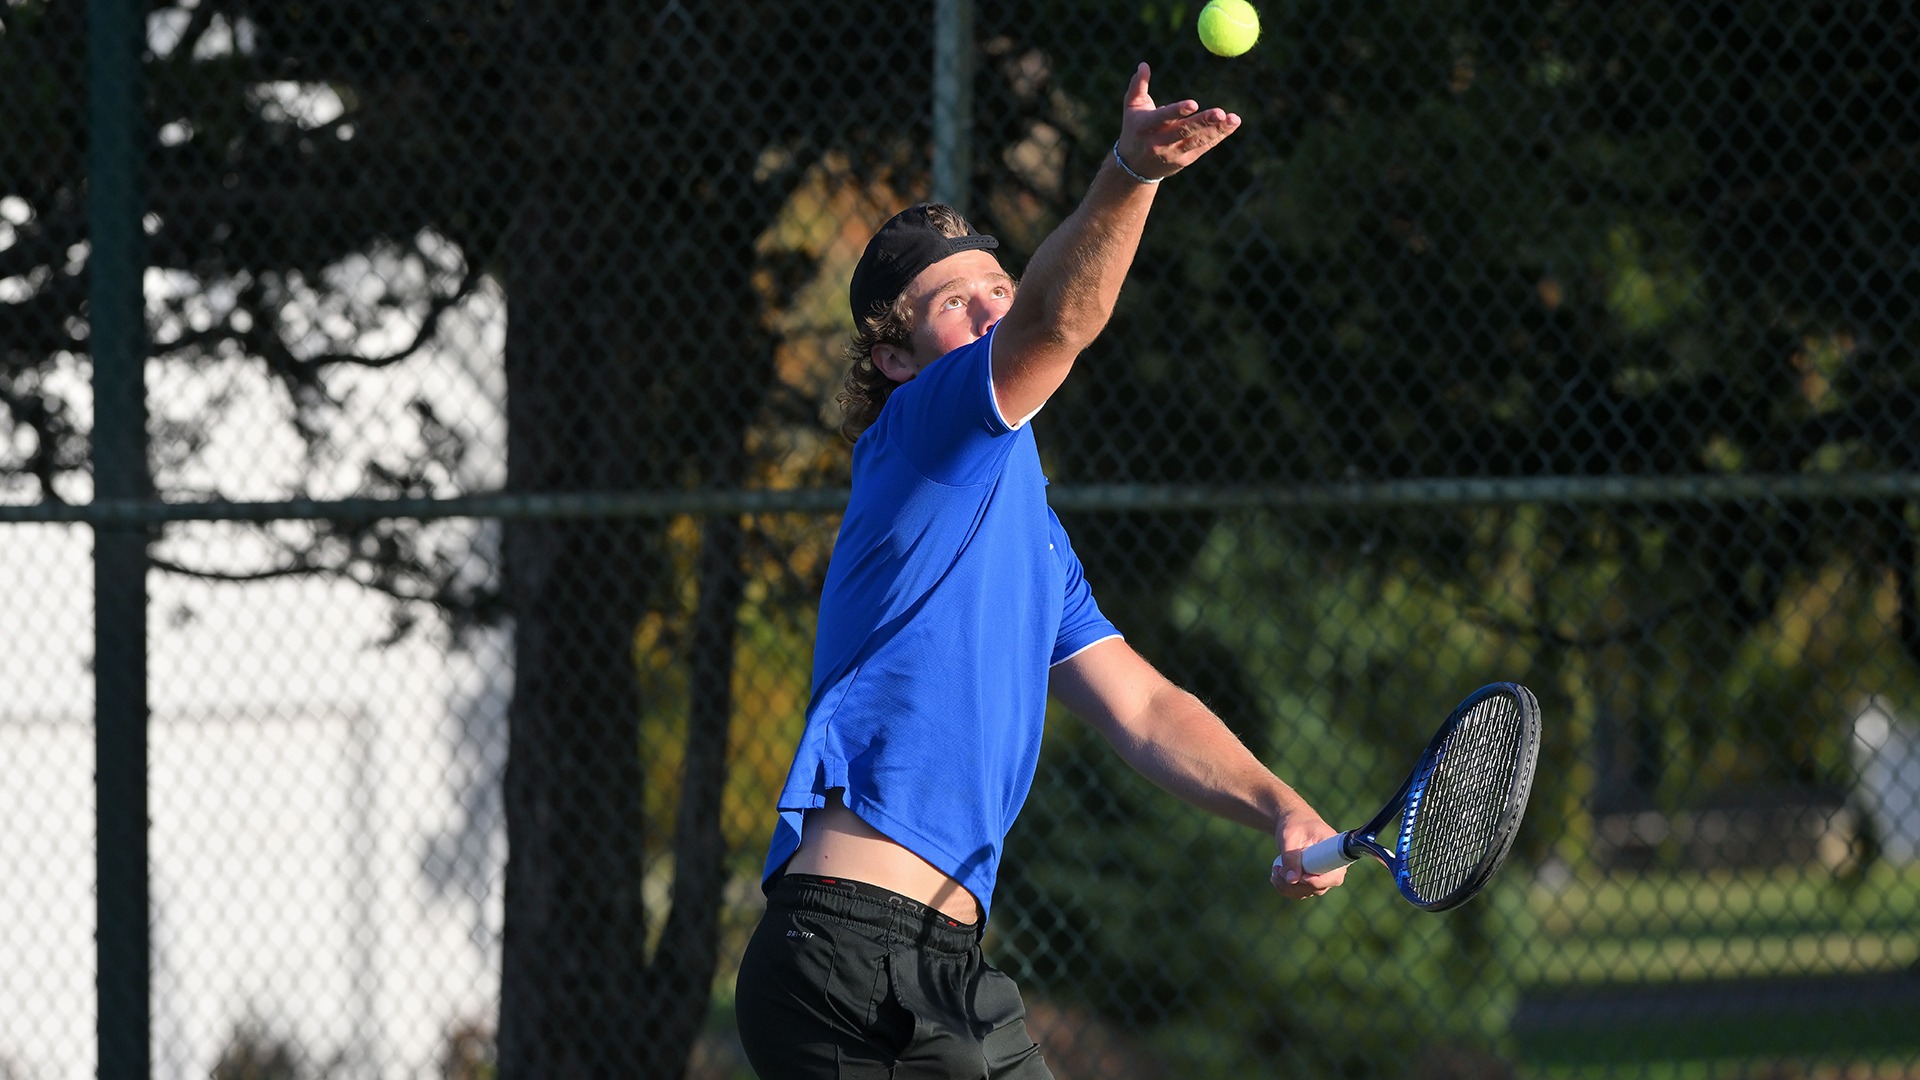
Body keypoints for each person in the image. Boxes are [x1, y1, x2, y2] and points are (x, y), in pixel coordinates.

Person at [735, 62, 1346, 1080]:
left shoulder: (1029, 534)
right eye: (951, 304)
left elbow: (1143, 709)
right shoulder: (921, 436)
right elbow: (1057, 322)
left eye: (996, 290)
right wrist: (1130, 173)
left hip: (941, 965)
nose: (985, 312)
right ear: (895, 358)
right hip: (845, 965)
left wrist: (1277, 804)